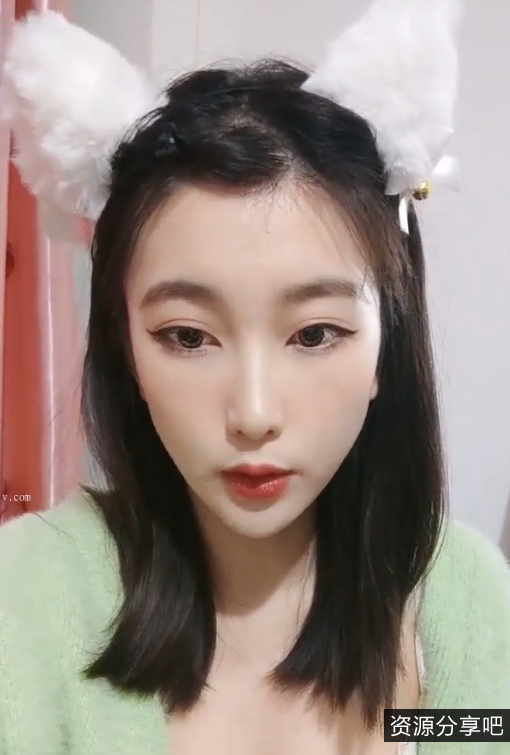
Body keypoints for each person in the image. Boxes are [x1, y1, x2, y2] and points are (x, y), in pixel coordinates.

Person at [0, 2, 509, 754]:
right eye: (187, 337)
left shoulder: (465, 604)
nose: (254, 412)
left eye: (315, 334)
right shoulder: (26, 601)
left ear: (386, 346)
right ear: (124, 348)